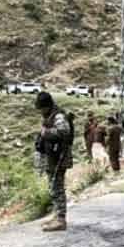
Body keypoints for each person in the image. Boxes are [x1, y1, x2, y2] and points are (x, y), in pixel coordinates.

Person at [35, 92, 74, 232]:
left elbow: (64, 132)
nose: (40, 112)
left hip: (58, 158)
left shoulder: (58, 116)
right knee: (53, 187)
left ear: (47, 106)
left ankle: (61, 219)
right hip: (52, 158)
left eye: (41, 108)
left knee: (57, 188)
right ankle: (57, 215)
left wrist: (46, 133)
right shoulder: (50, 116)